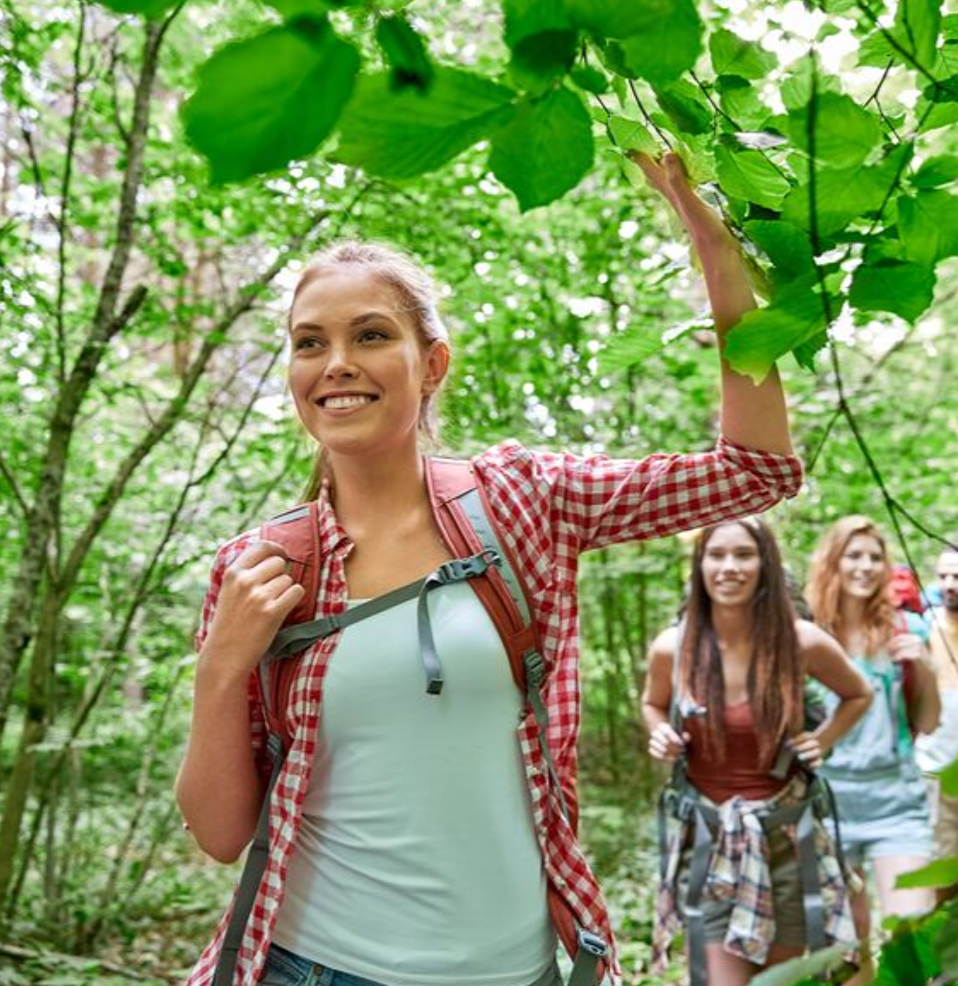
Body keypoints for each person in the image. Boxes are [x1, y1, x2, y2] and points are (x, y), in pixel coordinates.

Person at [176, 151, 804, 986]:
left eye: (371, 335)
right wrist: (221, 667)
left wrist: (717, 257)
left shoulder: (524, 502)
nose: (337, 364)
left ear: (430, 364)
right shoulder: (261, 569)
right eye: (308, 343)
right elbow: (222, 836)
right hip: (315, 964)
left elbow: (754, 472)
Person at [641, 518, 870, 985]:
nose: (730, 567)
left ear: (766, 564)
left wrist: (822, 739)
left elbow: (858, 693)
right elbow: (653, 703)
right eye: (717, 555)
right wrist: (660, 731)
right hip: (709, 841)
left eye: (744, 554)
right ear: (699, 565)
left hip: (786, 841)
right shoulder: (674, 647)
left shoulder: (799, 640)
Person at [803, 517, 939, 965]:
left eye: (874, 558)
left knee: (912, 940)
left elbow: (930, 721)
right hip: (826, 805)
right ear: (833, 563)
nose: (865, 566)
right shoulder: (808, 635)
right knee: (845, 952)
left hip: (896, 802)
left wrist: (922, 667)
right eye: (854, 555)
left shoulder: (907, 632)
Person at [916, 548, 958, 866]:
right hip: (935, 766)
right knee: (941, 860)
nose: (949, 584)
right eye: (943, 576)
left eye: (956, 576)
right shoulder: (924, 630)